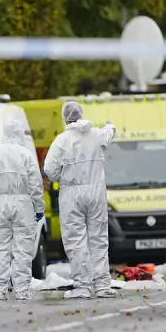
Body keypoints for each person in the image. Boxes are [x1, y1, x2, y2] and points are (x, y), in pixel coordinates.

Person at [43, 101, 117, 299]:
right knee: (99, 239)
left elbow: (50, 170)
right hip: (96, 193)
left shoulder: (62, 140)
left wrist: (62, 177)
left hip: (72, 194)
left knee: (76, 240)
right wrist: (110, 125)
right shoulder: (96, 135)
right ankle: (102, 285)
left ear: (65, 117)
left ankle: (83, 286)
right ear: (81, 114)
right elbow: (109, 134)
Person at [0, 119, 45, 301]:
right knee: (22, 248)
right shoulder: (25, 155)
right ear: (19, 134)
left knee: (1, 248)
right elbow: (35, 184)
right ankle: (22, 289)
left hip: (0, 204)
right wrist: (38, 207)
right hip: (22, 203)